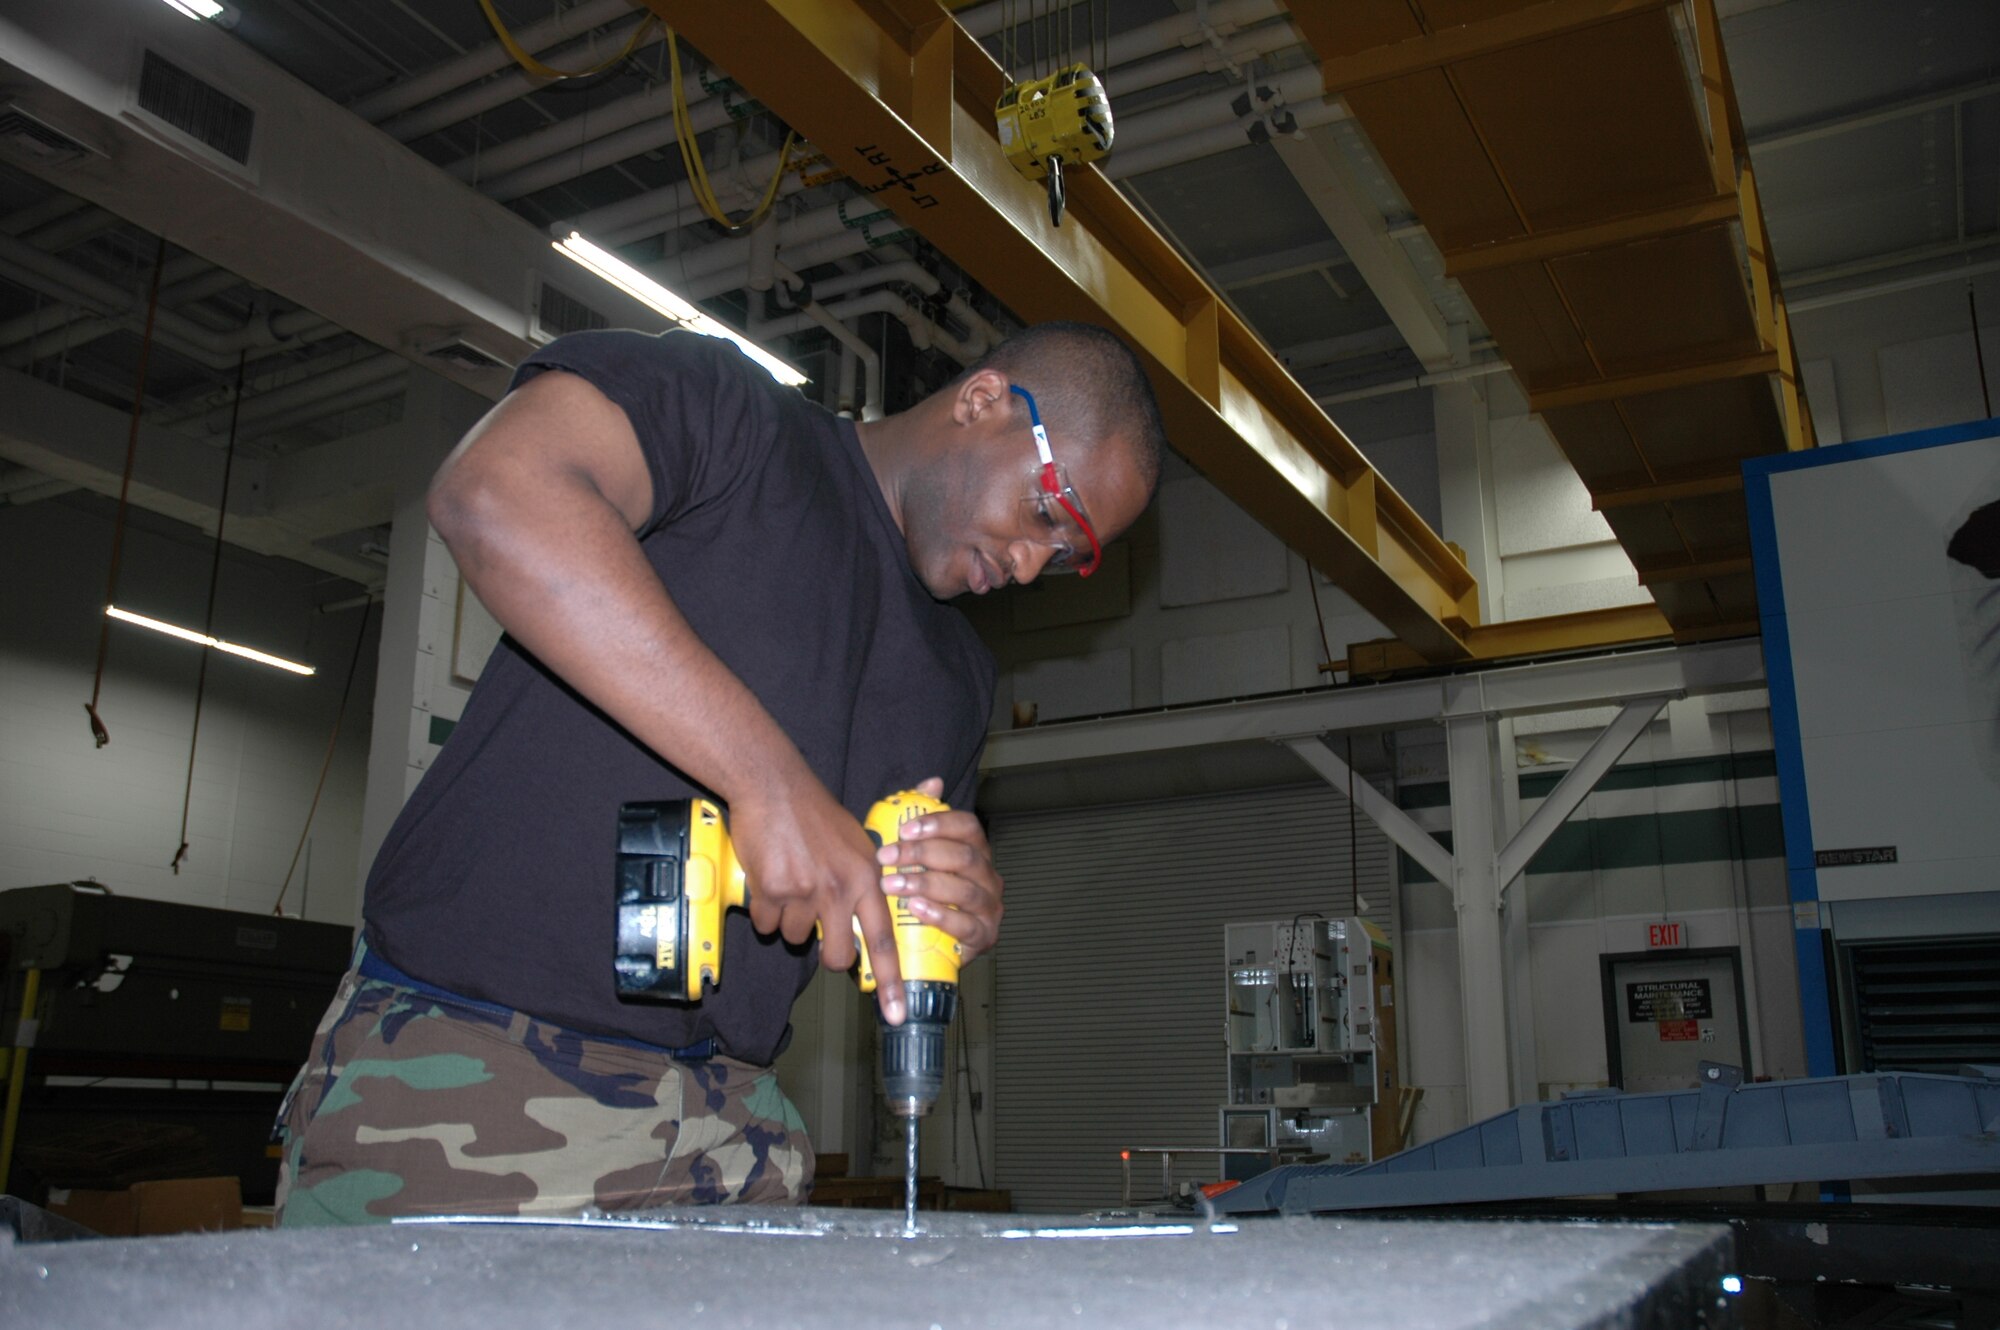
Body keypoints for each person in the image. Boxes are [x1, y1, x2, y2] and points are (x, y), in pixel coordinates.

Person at [273, 319, 1167, 1224]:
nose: (1025, 565)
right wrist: (766, 780)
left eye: (1063, 558)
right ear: (984, 401)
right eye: (1046, 512)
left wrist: (942, 903)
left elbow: (851, 912)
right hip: (472, 1084)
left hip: (725, 1133)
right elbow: (496, 491)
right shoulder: (732, 417)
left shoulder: (957, 681)